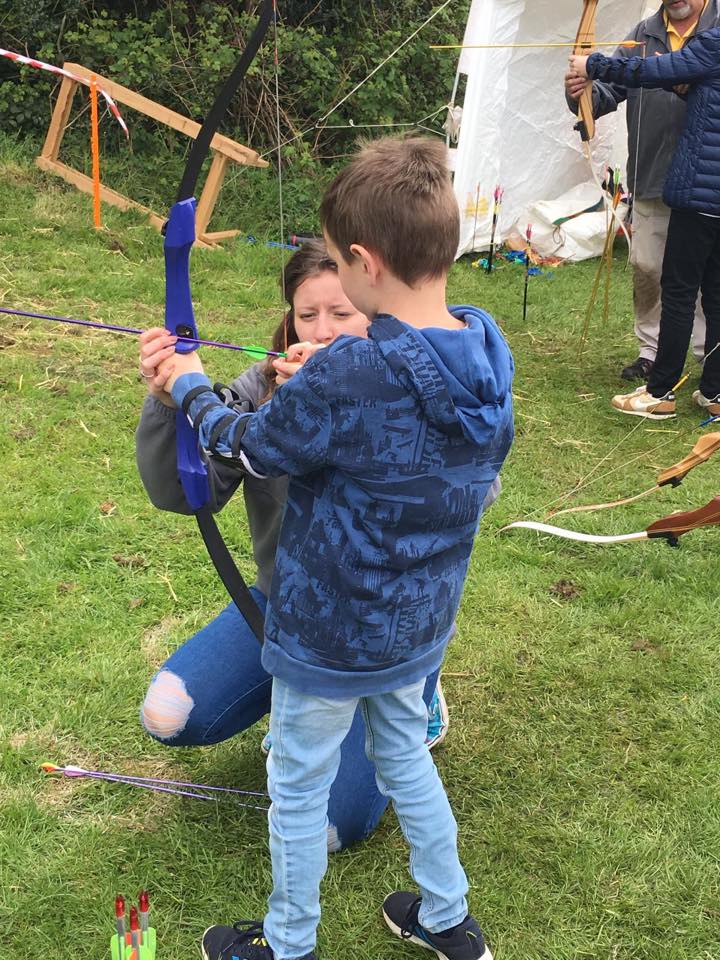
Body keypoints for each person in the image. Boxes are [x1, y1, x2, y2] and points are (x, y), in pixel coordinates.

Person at [155, 135, 513, 960]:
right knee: (405, 756)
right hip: (418, 628)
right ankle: (447, 917)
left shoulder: (348, 374)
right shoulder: (485, 349)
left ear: (364, 262)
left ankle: (288, 945)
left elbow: (248, 446)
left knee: (297, 783)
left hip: (328, 633)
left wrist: (189, 386)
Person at [136, 240, 459, 854]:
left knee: (331, 828)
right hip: (285, 611)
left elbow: (470, 494)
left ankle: (417, 700)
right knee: (168, 712)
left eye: (341, 313)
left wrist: (349, 418)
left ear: (376, 311)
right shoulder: (265, 387)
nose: (322, 330)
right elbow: (183, 493)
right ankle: (302, 702)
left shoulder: (415, 385)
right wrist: (170, 401)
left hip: (385, 631)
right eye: (307, 315)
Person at [570, 27, 720, 421]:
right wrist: (682, 86)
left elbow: (648, 72)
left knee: (679, 292)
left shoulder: (714, 41)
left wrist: (590, 64)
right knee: (717, 295)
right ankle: (715, 391)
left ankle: (660, 392)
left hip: (699, 194)